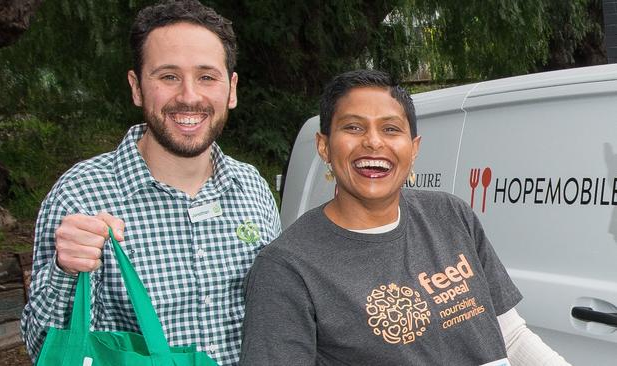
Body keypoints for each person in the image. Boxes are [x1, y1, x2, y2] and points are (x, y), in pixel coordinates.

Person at [239, 69, 570, 365]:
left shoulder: (451, 215)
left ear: (414, 148)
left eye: (390, 129)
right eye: (353, 127)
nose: (373, 141)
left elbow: (510, 336)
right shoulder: (286, 267)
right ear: (324, 146)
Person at [20, 1, 281, 365]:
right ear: (137, 87)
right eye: (168, 76)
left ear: (231, 88)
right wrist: (65, 272)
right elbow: (42, 348)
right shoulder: (80, 194)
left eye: (207, 77)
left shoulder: (252, 187)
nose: (189, 96)